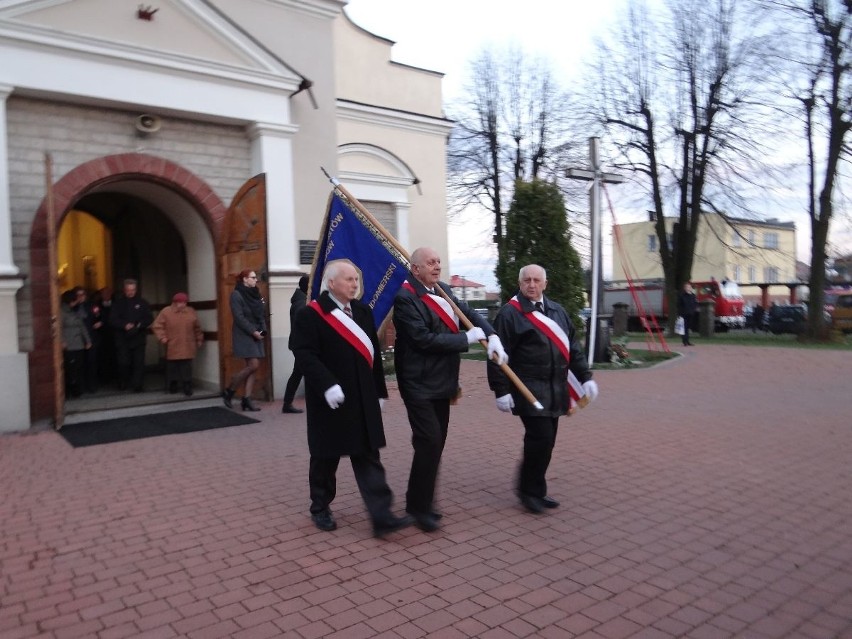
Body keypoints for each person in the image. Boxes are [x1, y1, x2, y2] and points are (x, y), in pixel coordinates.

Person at [291, 259, 412, 538]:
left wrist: (380, 391)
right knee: (326, 457)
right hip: (330, 400)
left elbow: (373, 355)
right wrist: (326, 384)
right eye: (348, 280)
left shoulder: (362, 311)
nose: (354, 284)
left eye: (356, 280)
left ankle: (382, 517)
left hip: (362, 397)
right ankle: (320, 506)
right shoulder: (312, 314)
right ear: (331, 283)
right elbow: (304, 353)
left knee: (368, 455)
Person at [392, 247, 508, 532]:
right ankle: (419, 507)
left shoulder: (442, 289)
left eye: (439, 262)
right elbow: (423, 339)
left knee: (435, 443)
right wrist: (465, 339)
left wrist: (492, 335)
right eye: (430, 262)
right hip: (417, 382)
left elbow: (467, 313)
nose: (437, 266)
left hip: (443, 381)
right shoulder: (405, 298)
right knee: (429, 440)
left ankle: (423, 501)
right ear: (415, 268)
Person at [487, 264, 598, 514]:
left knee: (547, 443)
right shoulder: (509, 314)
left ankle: (536, 489)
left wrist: (586, 377)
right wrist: (501, 391)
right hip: (528, 389)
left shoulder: (557, 311)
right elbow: (496, 356)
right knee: (540, 439)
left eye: (537, 280)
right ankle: (528, 492)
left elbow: (573, 349)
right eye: (526, 280)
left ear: (545, 284)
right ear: (520, 283)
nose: (532, 284)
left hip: (555, 388)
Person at [221, 269, 266, 412]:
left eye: (255, 277)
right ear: (245, 279)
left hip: (257, 333)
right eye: (253, 277)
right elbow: (239, 317)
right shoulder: (236, 294)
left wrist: (262, 331)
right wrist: (253, 332)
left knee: (253, 368)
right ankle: (230, 389)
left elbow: (261, 313)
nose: (255, 280)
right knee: (253, 365)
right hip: (244, 334)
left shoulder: (256, 293)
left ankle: (247, 399)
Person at [152, 292, 204, 396]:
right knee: (172, 367)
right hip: (172, 343)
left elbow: (197, 328)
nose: (183, 305)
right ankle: (173, 385)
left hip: (187, 343)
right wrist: (162, 337)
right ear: (175, 303)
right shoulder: (166, 312)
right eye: (180, 302)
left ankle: (187, 386)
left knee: (187, 367)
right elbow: (157, 326)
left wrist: (199, 339)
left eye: (185, 302)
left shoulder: (191, 311)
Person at [109, 278, 153, 392]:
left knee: (139, 363)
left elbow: (149, 318)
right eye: (128, 290)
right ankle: (123, 382)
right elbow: (112, 320)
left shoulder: (142, 303)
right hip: (122, 339)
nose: (131, 292)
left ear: (136, 290)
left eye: (133, 290)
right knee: (123, 362)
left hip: (138, 338)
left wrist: (138, 325)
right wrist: (124, 325)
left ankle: (138, 385)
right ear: (124, 290)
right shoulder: (117, 304)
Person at [281, 274, 309, 414]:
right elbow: (303, 323)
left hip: (300, 343)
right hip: (302, 344)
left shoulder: (301, 300)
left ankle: (287, 403)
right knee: (301, 372)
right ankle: (287, 403)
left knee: (298, 372)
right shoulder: (301, 303)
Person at [60, 289, 92, 398]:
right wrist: (62, 341)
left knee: (79, 368)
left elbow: (82, 326)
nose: (77, 301)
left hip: (79, 344)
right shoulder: (61, 312)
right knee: (70, 369)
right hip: (69, 345)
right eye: (75, 300)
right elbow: (58, 328)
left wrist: (87, 340)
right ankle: (70, 391)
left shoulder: (75, 310)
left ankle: (78, 390)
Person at [72, 286, 102, 393]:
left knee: (92, 362)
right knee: (79, 364)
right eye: (78, 295)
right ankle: (80, 386)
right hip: (77, 340)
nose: (81, 297)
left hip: (92, 337)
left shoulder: (92, 305)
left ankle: (92, 385)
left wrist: (100, 323)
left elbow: (100, 317)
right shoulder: (72, 308)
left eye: (82, 294)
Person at [677, 282, 698, 346]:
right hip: (683, 314)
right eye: (686, 287)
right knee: (684, 328)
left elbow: (695, 304)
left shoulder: (693, 295)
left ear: (691, 288)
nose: (688, 288)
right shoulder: (682, 296)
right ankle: (684, 341)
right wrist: (680, 314)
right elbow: (679, 305)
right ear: (684, 288)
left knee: (688, 328)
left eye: (689, 287)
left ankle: (687, 341)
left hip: (691, 314)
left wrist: (693, 310)